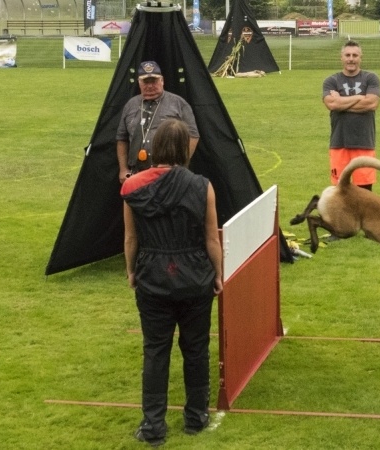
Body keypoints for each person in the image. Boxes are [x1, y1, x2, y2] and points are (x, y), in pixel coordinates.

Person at [121, 119, 223, 447]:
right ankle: (196, 417)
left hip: (152, 273)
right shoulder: (202, 185)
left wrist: (132, 271)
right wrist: (218, 274)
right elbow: (211, 238)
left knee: (155, 350)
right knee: (195, 348)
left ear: (154, 146)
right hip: (194, 275)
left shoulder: (133, 187)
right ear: (183, 149)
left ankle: (153, 425)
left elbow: (130, 237)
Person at [116, 60, 199, 183]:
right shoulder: (131, 105)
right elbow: (121, 138)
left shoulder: (179, 103)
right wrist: (123, 169)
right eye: (145, 82)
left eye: (154, 81)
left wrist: (181, 164)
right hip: (137, 174)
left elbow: (193, 136)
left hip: (168, 175)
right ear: (139, 83)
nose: (150, 86)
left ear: (162, 81)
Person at [322, 40, 380, 191]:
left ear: (361, 58)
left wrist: (341, 101)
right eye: (347, 55)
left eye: (355, 55)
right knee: (340, 192)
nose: (351, 58)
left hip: (364, 143)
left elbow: (371, 104)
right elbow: (332, 105)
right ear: (341, 57)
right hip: (339, 143)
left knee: (365, 192)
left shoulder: (371, 78)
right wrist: (359, 97)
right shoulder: (331, 81)